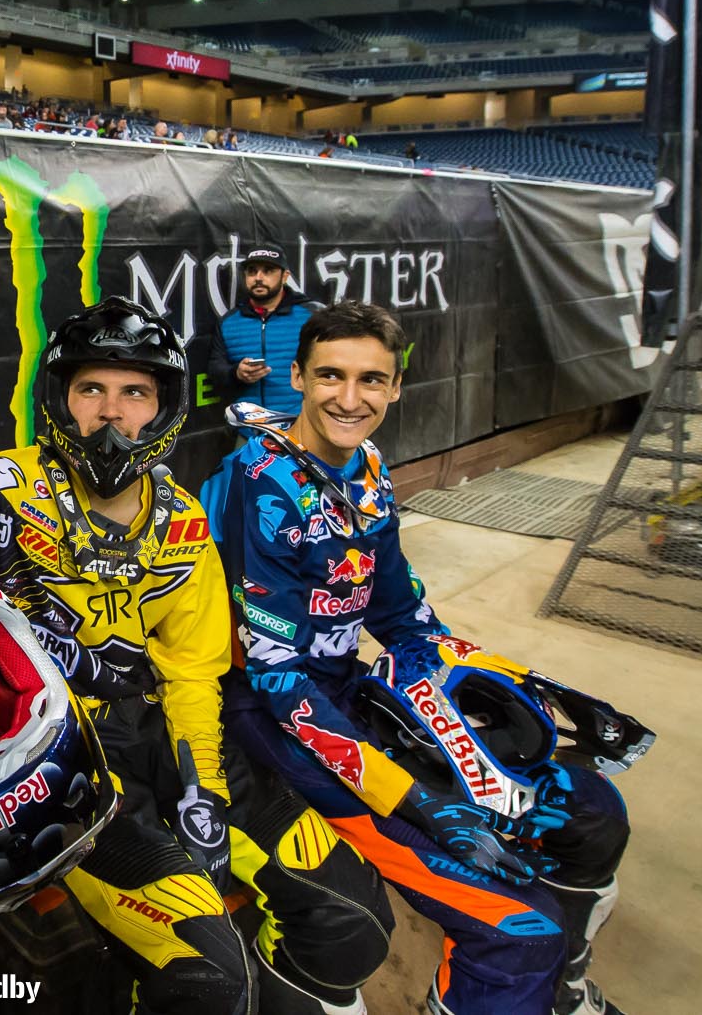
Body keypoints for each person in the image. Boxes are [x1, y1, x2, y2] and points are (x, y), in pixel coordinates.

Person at [0, 298, 393, 1015]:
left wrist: (203, 790)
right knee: (207, 979)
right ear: (60, 398)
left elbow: (194, 672)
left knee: (356, 922)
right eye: (91, 389)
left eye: (135, 391)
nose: (112, 413)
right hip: (61, 759)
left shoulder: (185, 519)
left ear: (164, 405)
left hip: (170, 731)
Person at [199, 302, 632, 1015]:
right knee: (517, 926)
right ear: (298, 377)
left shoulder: (366, 466)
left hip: (349, 692)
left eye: (372, 379)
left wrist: (527, 688)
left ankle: (565, 991)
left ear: (398, 387)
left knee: (592, 813)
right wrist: (421, 798)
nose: (349, 397)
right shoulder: (257, 481)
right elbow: (277, 676)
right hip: (269, 718)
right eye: (331, 375)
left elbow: (404, 615)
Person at [207, 242, 314, 415]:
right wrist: (237, 373)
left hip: (298, 424)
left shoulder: (308, 316)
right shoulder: (229, 322)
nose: (258, 277)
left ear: (285, 276)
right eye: (252, 271)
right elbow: (215, 368)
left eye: (268, 270)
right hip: (248, 427)